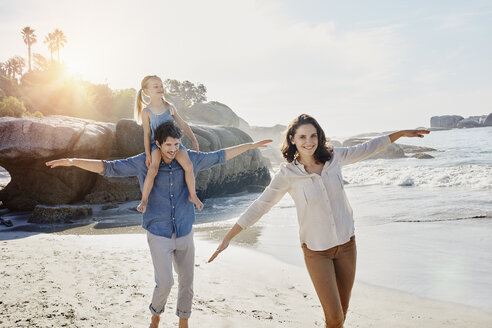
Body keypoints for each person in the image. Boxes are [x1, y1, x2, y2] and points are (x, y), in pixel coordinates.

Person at [208, 114, 430, 328]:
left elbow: (367, 148)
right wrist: (229, 236)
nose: (309, 142)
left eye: (313, 136)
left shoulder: (335, 157)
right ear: (292, 140)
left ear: (319, 137)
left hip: (347, 246)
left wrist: (399, 134)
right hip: (317, 252)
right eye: (302, 137)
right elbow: (260, 205)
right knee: (334, 318)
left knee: (341, 315)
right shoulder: (287, 175)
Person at [46, 121, 272, 328]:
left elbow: (220, 156)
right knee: (165, 283)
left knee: (187, 282)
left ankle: (184, 322)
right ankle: (156, 315)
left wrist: (250, 146)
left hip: (184, 230)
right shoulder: (144, 163)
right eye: (168, 145)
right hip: (158, 233)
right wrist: (73, 162)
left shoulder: (189, 158)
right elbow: (109, 167)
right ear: (158, 144)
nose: (173, 149)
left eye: (176, 144)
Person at [135, 75, 203, 213]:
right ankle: (144, 200)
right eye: (156, 86)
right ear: (147, 91)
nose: (160, 88)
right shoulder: (146, 111)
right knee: (153, 169)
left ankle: (193, 195)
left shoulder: (169, 107)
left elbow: (182, 124)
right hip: (157, 144)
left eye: (161, 85)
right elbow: (147, 134)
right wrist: (148, 154)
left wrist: (194, 139)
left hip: (174, 144)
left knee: (188, 166)